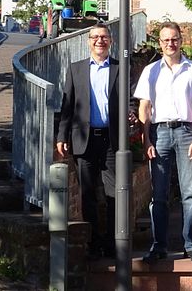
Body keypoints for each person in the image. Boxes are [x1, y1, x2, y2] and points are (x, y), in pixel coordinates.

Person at [134, 21, 192, 264]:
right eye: (166, 40)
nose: (171, 43)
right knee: (159, 194)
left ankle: (191, 245)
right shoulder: (151, 71)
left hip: (187, 132)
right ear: (160, 43)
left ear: (181, 40)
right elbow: (144, 107)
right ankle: (159, 246)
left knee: (190, 194)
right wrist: (145, 138)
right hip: (160, 134)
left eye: (174, 39)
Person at [56, 24, 118, 259]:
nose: (99, 41)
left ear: (110, 41)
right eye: (95, 37)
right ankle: (93, 244)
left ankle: (113, 243)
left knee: (114, 194)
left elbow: (127, 102)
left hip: (112, 141)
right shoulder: (76, 69)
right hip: (85, 140)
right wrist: (62, 136)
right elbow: (67, 106)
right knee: (88, 195)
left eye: (103, 37)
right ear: (88, 41)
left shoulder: (119, 68)